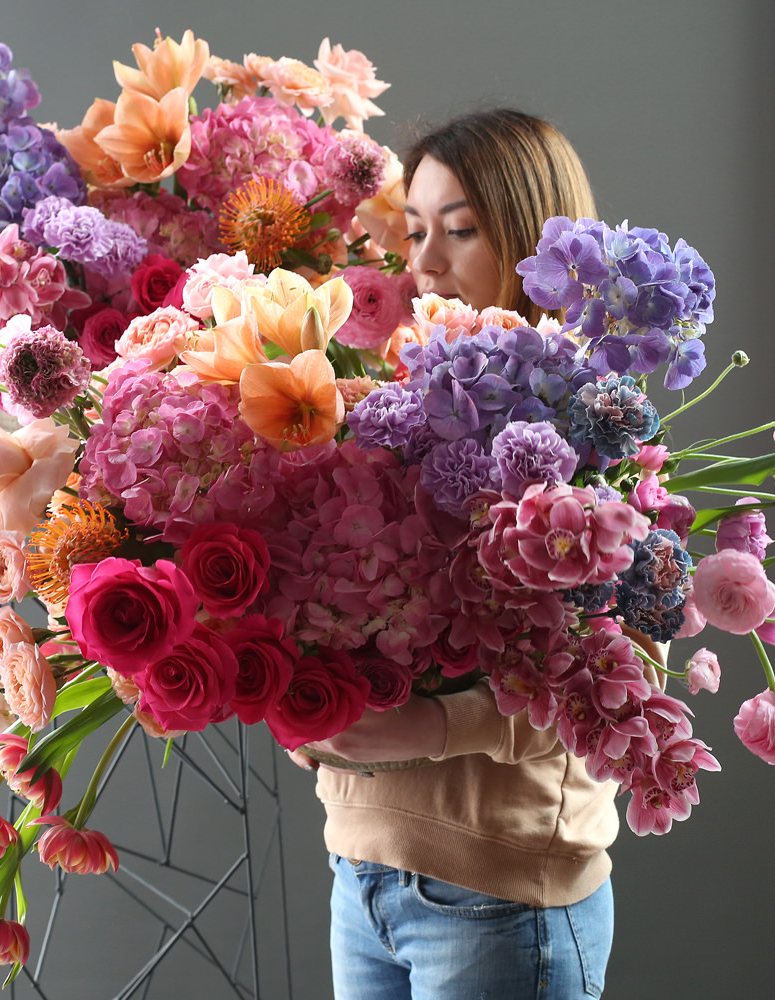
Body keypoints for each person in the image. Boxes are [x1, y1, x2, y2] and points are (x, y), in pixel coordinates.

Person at [288, 108, 666, 1000]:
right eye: (415, 229)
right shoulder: (390, 404)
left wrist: (432, 727)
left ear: (540, 245)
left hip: (501, 897)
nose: (423, 261)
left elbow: (626, 678)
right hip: (360, 873)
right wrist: (304, 700)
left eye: (458, 230)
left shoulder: (597, 425)